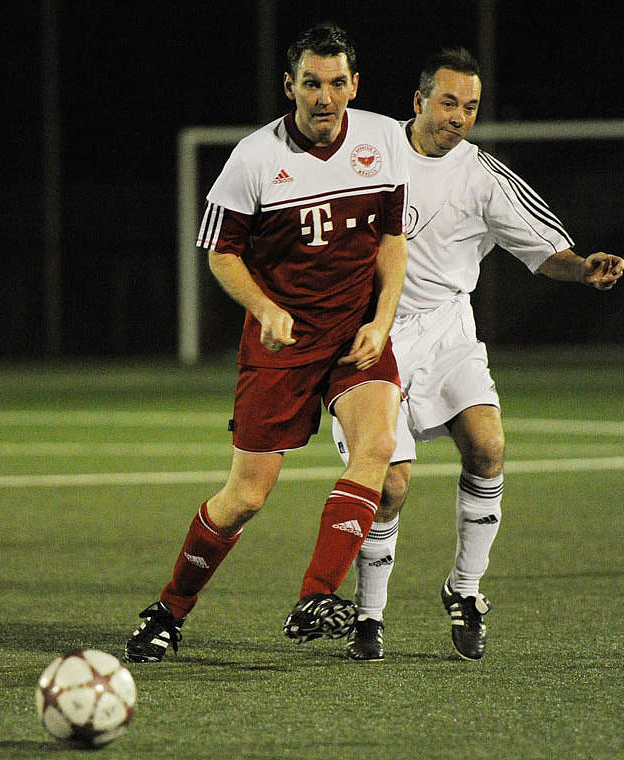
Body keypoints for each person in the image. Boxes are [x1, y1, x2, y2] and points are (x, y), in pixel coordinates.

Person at [124, 22, 412, 663]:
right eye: (312, 83)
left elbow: (393, 241)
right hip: (280, 346)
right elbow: (221, 253)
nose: (325, 96)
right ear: (291, 86)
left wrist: (382, 321)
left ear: (354, 86)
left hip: (354, 338)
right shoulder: (253, 158)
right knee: (244, 498)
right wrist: (265, 307)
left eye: (338, 83)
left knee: (379, 447)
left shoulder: (385, 138)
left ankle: (316, 595)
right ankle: (169, 609)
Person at [330, 48, 624, 662]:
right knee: (389, 485)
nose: (459, 116)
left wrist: (583, 268)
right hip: (369, 335)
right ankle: (369, 614)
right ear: (418, 102)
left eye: (470, 106)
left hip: (447, 331)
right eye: (447, 102)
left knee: (489, 447)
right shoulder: (368, 150)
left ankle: (465, 590)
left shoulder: (484, 176)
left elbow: (545, 251)